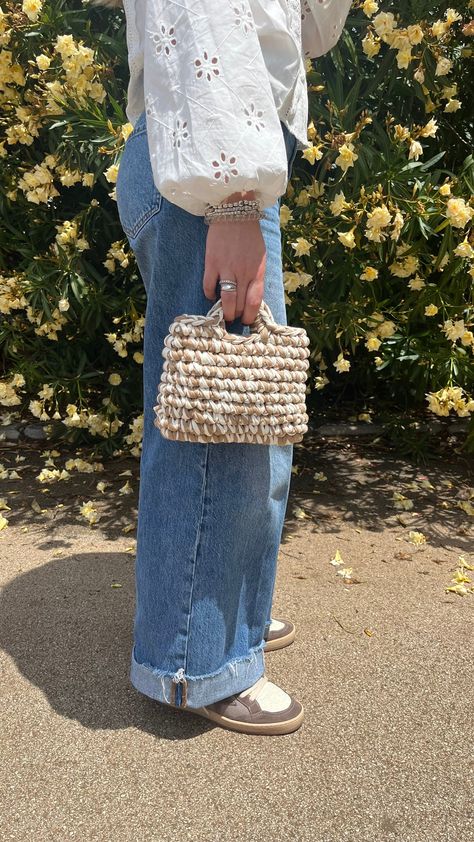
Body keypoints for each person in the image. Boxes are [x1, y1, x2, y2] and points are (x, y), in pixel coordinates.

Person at [96, 0, 351, 735]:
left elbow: (310, 29)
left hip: (205, 155)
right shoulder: (226, 189)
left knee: (238, 417)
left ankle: (224, 611)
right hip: (212, 172)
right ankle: (195, 659)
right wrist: (236, 202)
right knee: (221, 435)